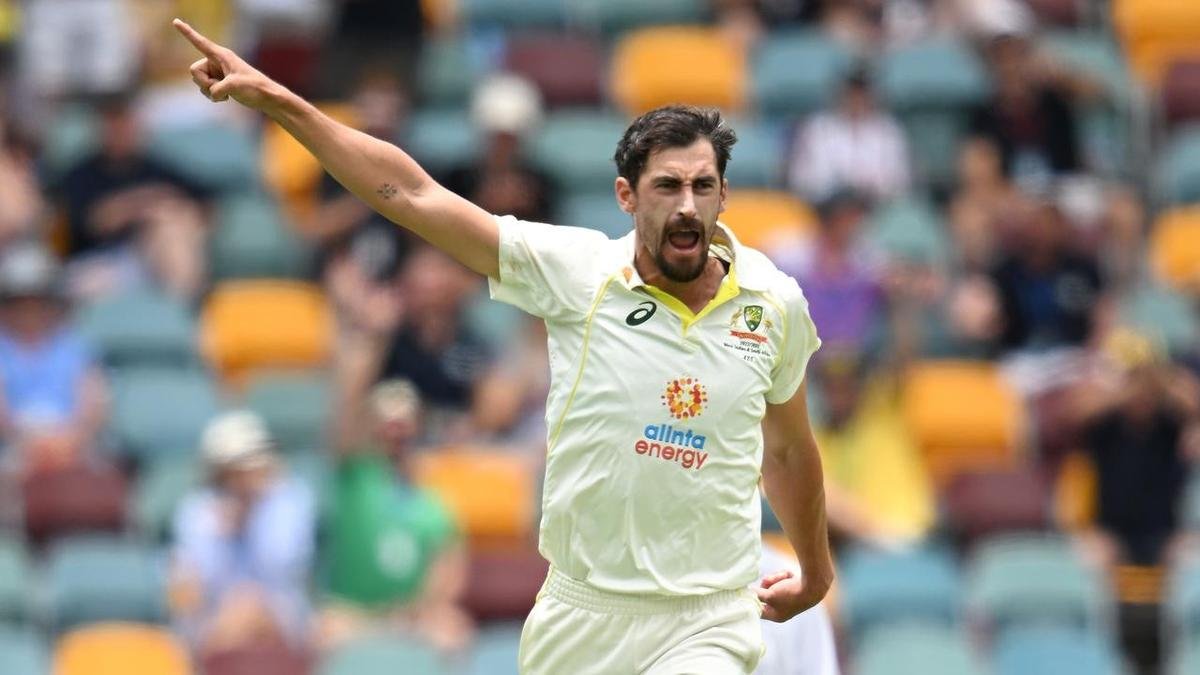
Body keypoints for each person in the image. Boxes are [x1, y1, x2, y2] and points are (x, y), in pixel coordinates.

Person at [173, 19, 833, 674]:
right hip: (582, 615)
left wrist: (816, 568)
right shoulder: (576, 271)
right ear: (627, 197)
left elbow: (789, 446)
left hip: (706, 616)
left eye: (702, 185)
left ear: (724, 195)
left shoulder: (772, 305)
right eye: (667, 186)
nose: (687, 205)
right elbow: (412, 193)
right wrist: (280, 101)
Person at [170, 410, 316, 657]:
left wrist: (251, 518)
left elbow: (282, 566)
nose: (243, 477)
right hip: (214, 622)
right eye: (234, 468)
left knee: (251, 605)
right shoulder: (196, 511)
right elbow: (190, 594)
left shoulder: (291, 500)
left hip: (285, 617)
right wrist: (222, 533)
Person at [0, 241, 106, 475]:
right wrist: (31, 442)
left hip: (73, 444)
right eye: (19, 301)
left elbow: (93, 403)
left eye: (38, 300)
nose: (29, 310)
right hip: (14, 446)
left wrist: (71, 439)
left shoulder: (74, 345)